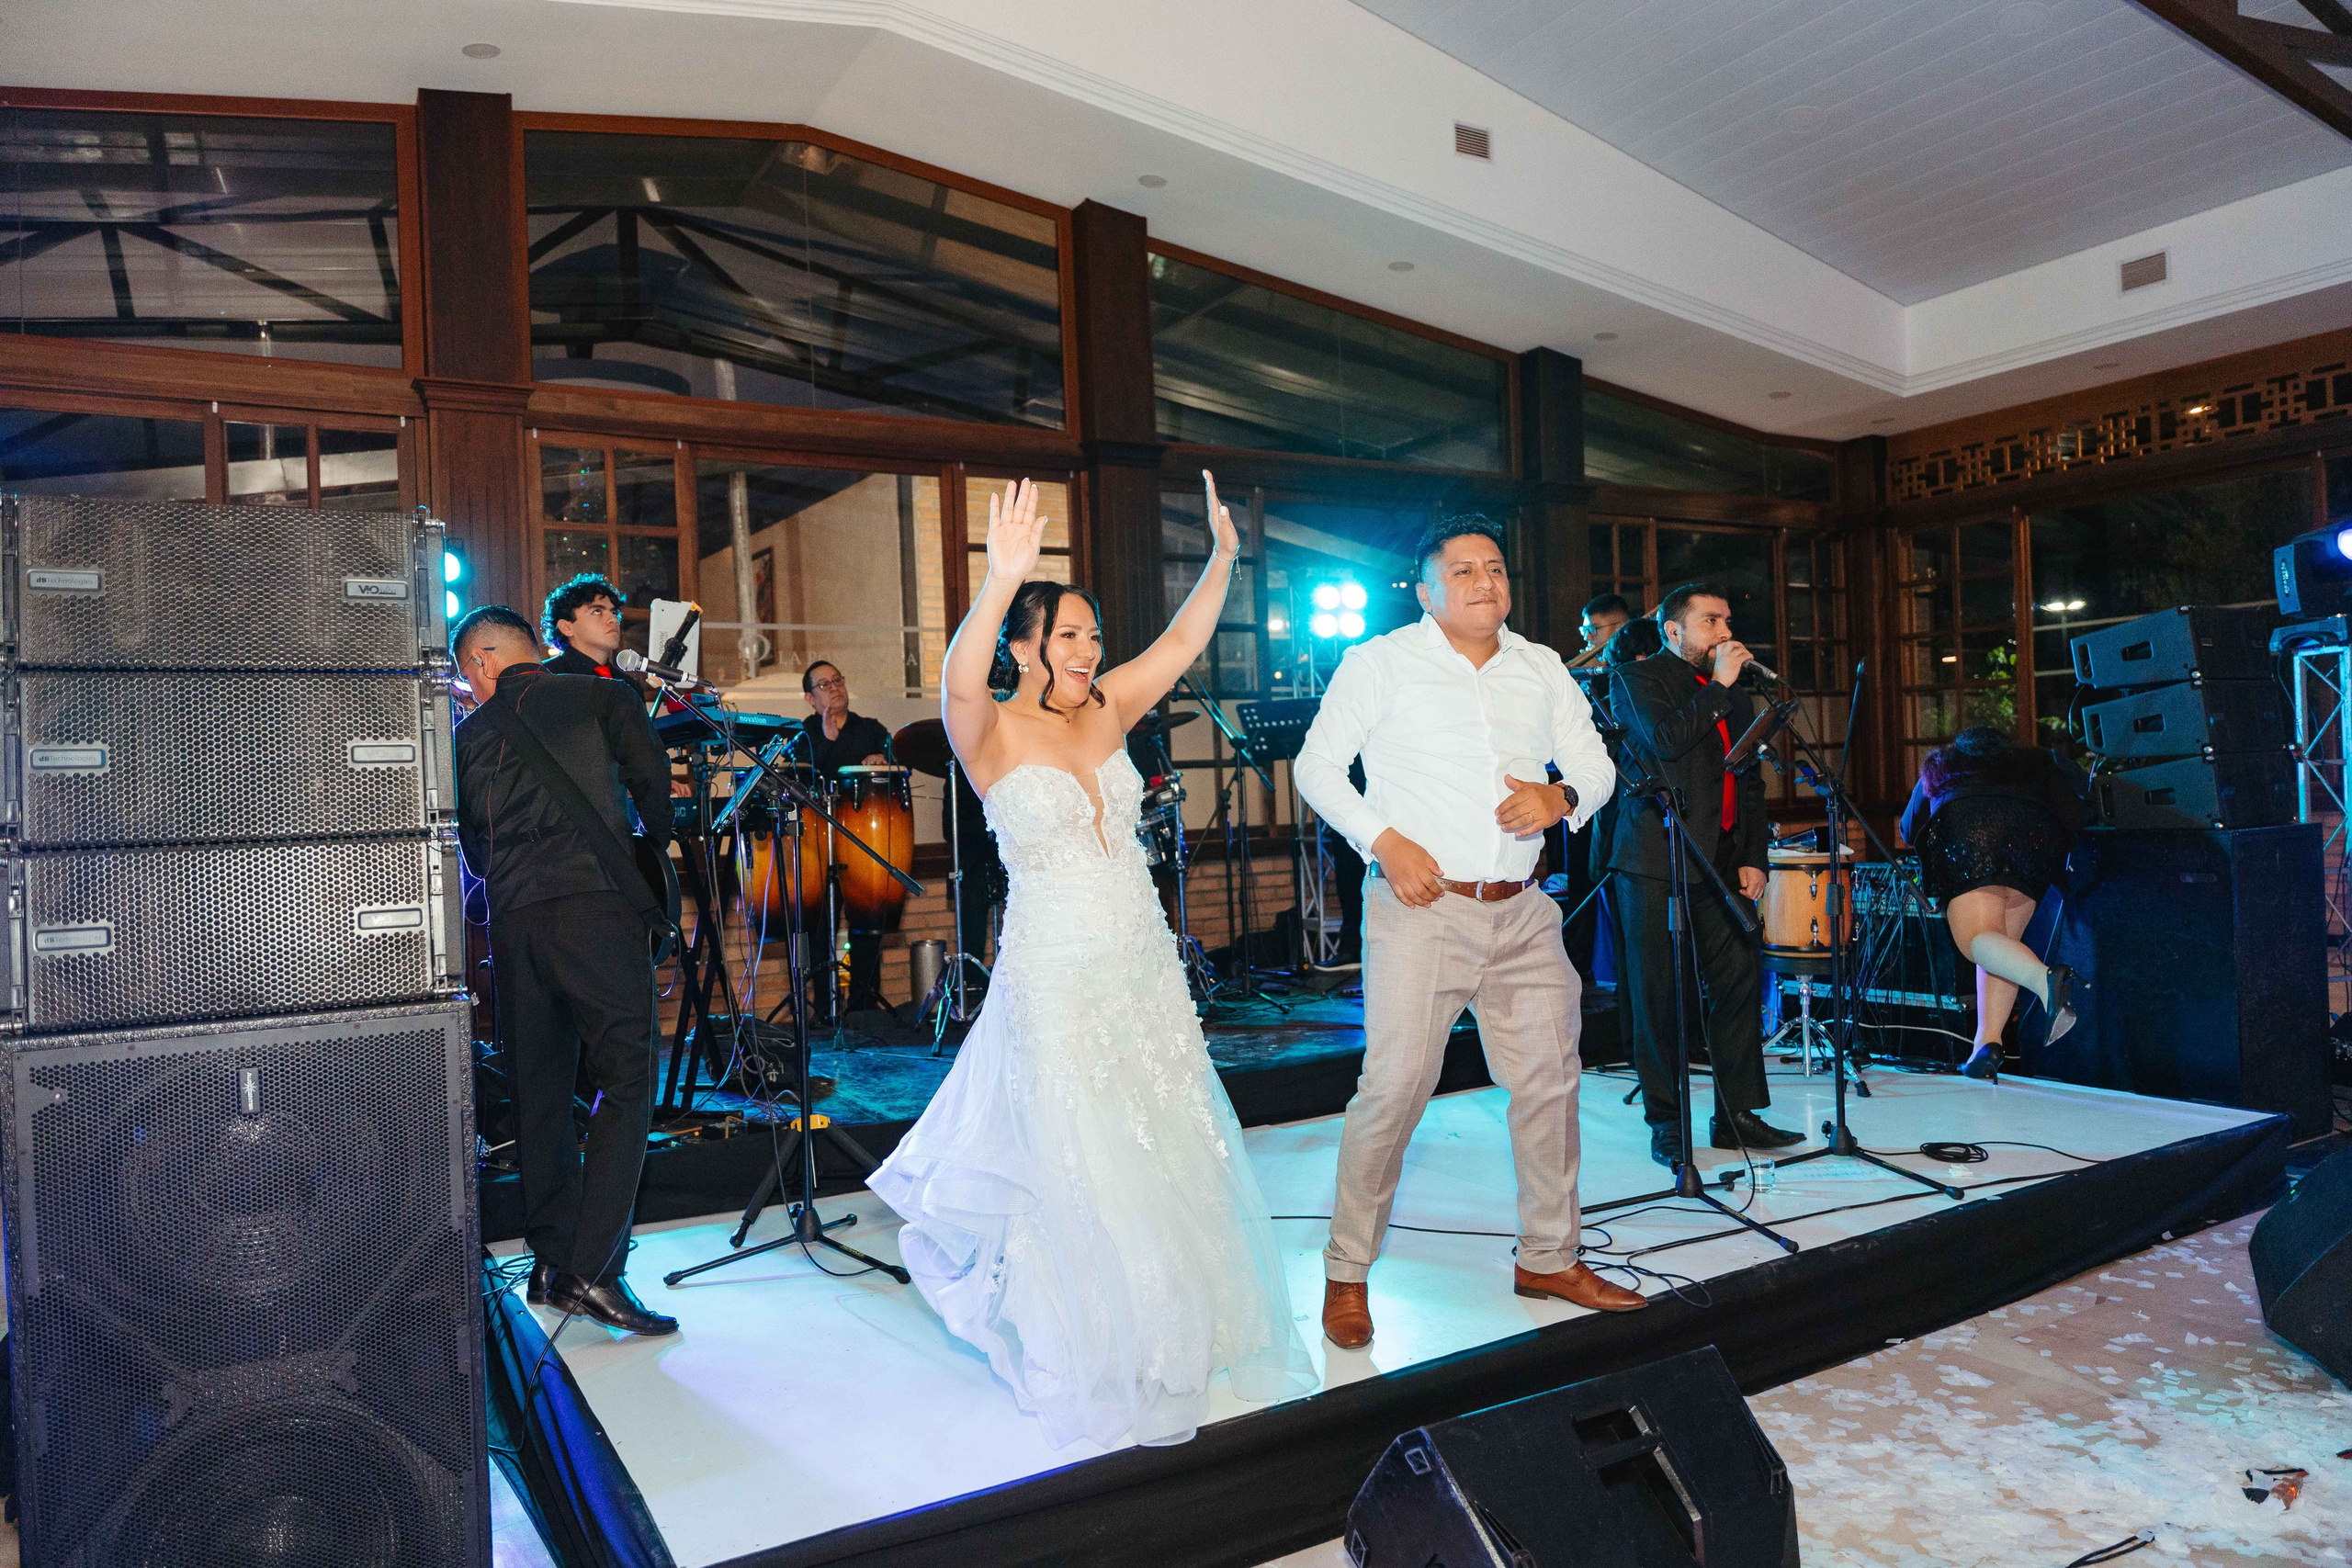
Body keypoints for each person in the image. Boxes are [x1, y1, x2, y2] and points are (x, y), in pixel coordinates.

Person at [869, 472, 1314, 1449]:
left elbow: (1184, 643)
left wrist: (1225, 560)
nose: (1088, 650)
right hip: (1058, 968)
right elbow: (954, 679)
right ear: (1026, 647)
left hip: (1141, 963)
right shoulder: (987, 729)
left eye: (1092, 636)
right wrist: (1003, 581)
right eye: (1067, 634)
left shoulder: (1106, 712)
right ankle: (1086, 1339)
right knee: (1082, 1155)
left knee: (1164, 1135)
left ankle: (1171, 1330)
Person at [1295, 515, 1645, 1354]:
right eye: (1462, 570)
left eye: (1494, 567)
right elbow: (1315, 767)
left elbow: (1596, 766)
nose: (1483, 580)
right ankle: (1347, 1272)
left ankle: (1550, 1256)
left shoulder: (1542, 667)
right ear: (1425, 590)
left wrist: (1562, 800)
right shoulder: (1380, 663)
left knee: (1551, 1087)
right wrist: (1385, 841)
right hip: (1422, 905)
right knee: (1396, 1088)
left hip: (1524, 906)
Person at [452, 604, 679, 1337]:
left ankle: (552, 1263)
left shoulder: (465, 736)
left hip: (514, 925)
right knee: (631, 1071)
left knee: (540, 1090)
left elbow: (471, 851)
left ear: (484, 662)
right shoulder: (604, 695)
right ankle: (594, 1266)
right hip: (594, 909)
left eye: (466, 675)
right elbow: (654, 793)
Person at [1604, 582, 1804, 1168]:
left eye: (1727, 620)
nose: (1725, 632)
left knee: (1739, 975)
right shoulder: (1637, 681)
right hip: (1654, 862)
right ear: (1674, 631)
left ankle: (1735, 1113)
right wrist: (1719, 686)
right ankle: (1668, 1121)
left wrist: (1753, 856)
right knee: (1658, 995)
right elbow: (1664, 743)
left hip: (1719, 861)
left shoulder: (1734, 696)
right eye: (1711, 622)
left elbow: (1746, 780)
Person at [1899, 726, 2089, 1079]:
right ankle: (1985, 1048)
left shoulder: (1942, 764)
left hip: (1970, 840)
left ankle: (2046, 978)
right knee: (2001, 947)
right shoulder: (2036, 763)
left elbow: (1909, 829)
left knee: (1977, 941)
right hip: (2032, 848)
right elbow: (2078, 817)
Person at [796, 660, 896, 1015]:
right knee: (821, 924)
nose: (835, 687)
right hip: (818, 842)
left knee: (867, 921)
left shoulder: (871, 730)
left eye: (839, 679)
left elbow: (899, 772)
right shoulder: (801, 734)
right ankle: (824, 1008)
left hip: (865, 841)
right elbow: (802, 779)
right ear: (809, 697)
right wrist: (828, 741)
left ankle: (864, 1006)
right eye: (824, 684)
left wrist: (883, 759)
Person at [541, 573, 631, 679]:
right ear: (567, 627)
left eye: (614, 613)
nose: (614, 620)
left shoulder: (628, 683)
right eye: (597, 611)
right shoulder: (545, 676)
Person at [1567, 592, 1633, 669]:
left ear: (1621, 628)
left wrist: (1599, 675)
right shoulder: (1600, 659)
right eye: (1584, 630)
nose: (1587, 637)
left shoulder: (1637, 660)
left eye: (1592, 629)